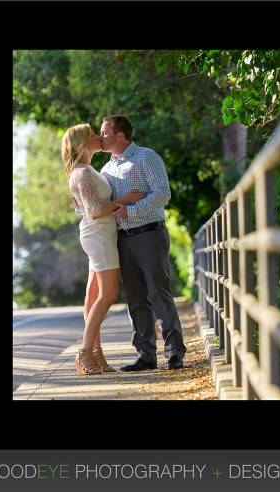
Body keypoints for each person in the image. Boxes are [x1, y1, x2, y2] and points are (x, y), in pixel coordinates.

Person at [100, 115, 188, 371]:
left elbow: (163, 192)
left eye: (105, 132)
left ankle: (175, 353)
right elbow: (103, 207)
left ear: (120, 135)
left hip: (150, 234)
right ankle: (145, 355)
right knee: (136, 298)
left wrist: (133, 211)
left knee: (159, 294)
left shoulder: (147, 157)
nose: (101, 137)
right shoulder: (106, 169)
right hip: (123, 240)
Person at [63, 123, 146, 374]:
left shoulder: (87, 169)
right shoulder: (83, 173)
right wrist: (125, 199)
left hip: (101, 234)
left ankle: (96, 356)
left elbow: (89, 208)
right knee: (108, 295)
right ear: (81, 143)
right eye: (91, 135)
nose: (98, 136)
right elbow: (94, 212)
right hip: (99, 235)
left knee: (95, 294)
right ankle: (84, 352)